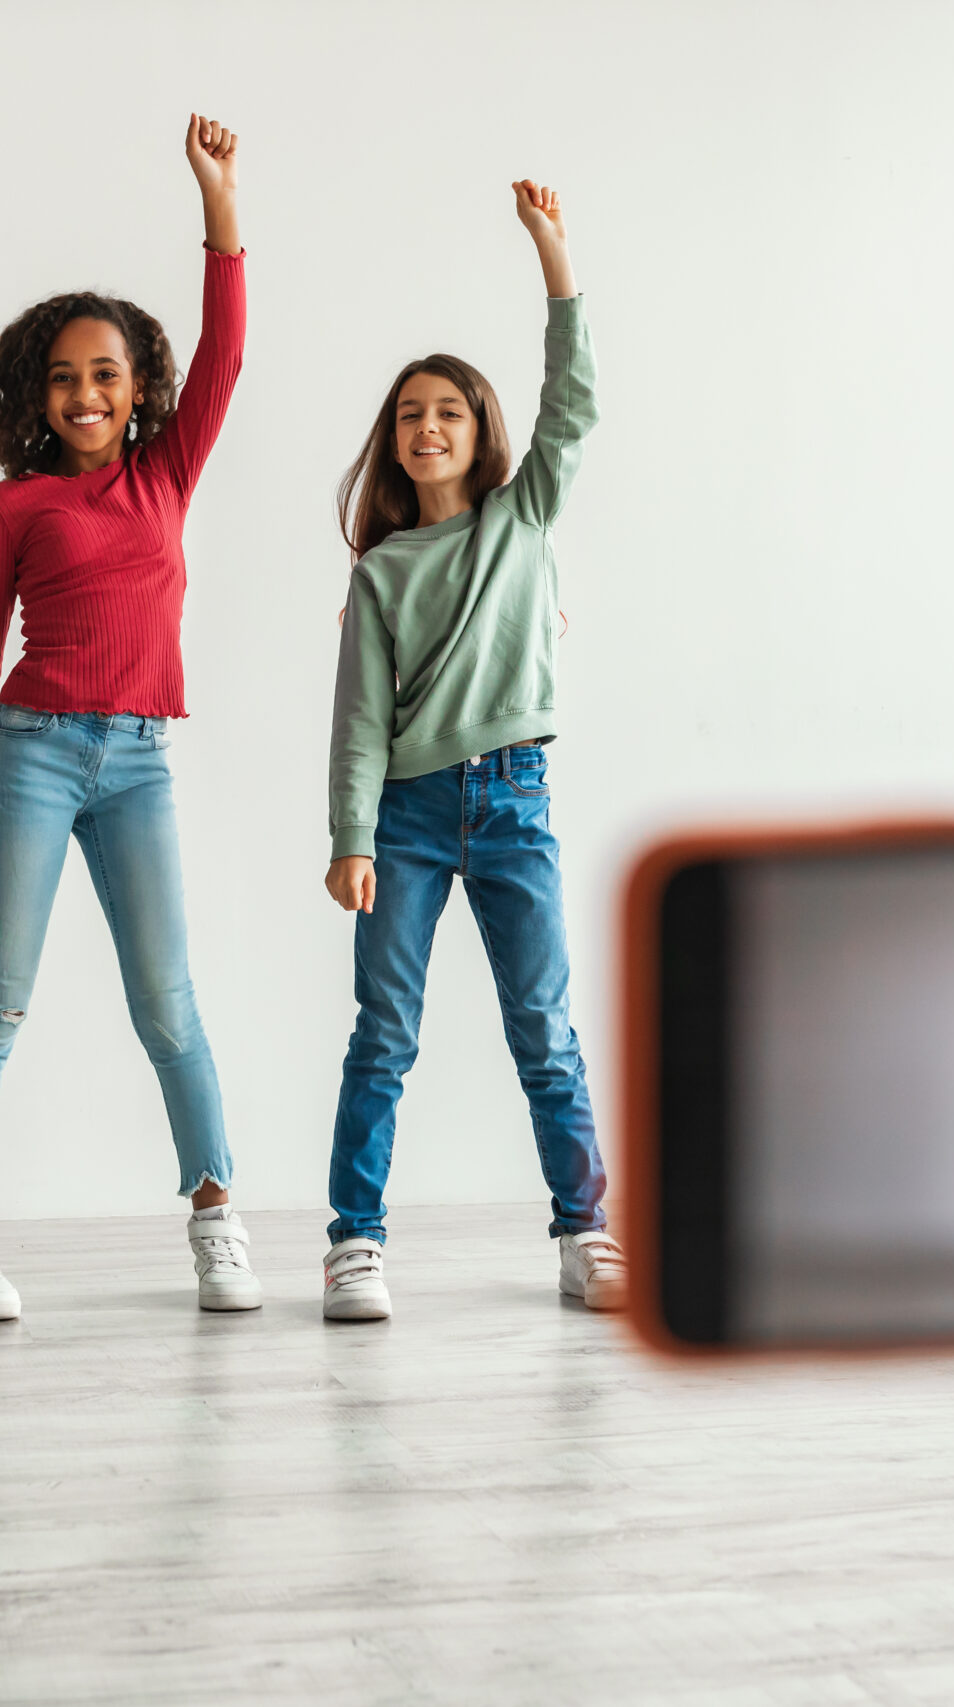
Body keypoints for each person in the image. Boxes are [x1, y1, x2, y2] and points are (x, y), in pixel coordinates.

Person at [0, 116, 252, 1322]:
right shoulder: (10, 506)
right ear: (34, 392)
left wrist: (217, 201)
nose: (84, 393)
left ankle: (217, 1216)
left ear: (135, 388)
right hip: (31, 757)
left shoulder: (165, 474)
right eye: (62, 376)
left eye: (104, 374)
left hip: (141, 763)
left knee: (168, 1002)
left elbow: (225, 348)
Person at [317, 179, 624, 1321]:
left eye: (447, 410)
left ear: (478, 429)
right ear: (392, 444)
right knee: (383, 1033)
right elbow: (357, 719)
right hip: (401, 814)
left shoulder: (523, 516)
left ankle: (584, 1229)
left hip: (510, 800)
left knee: (541, 1028)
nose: (429, 427)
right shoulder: (381, 571)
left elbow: (575, 402)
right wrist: (351, 838)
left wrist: (555, 259)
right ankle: (355, 1240)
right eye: (409, 416)